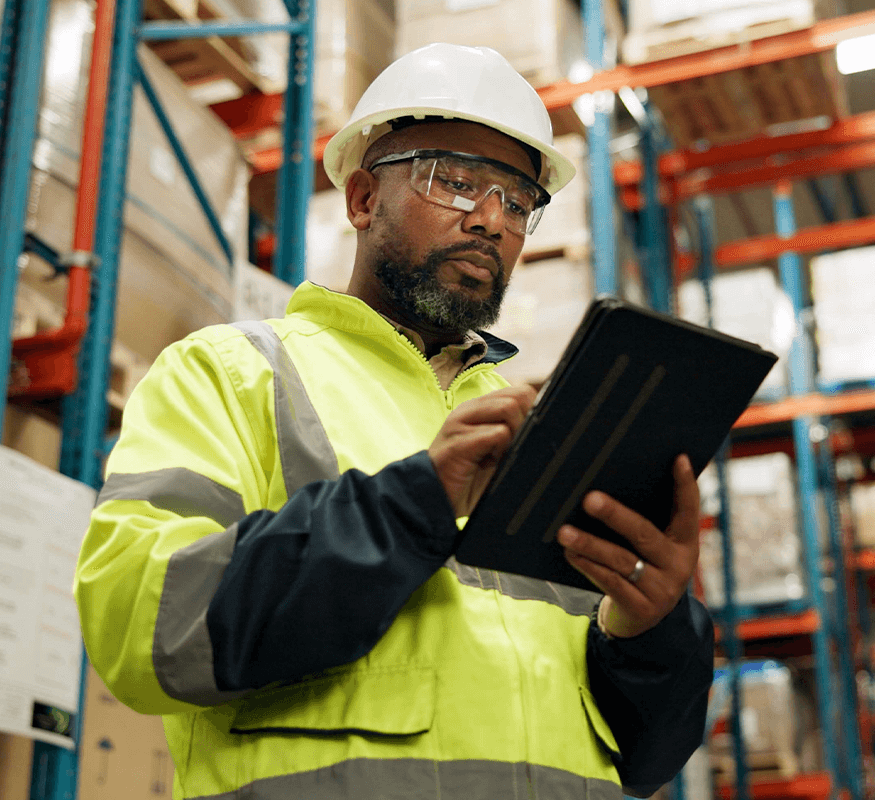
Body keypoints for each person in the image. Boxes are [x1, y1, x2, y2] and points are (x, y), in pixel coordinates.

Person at [75, 42, 713, 800]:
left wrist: (652, 633)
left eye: (517, 202)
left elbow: (643, 759)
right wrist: (411, 505)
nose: (490, 221)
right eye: (457, 181)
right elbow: (141, 626)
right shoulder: (233, 373)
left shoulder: (547, 433)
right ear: (362, 199)